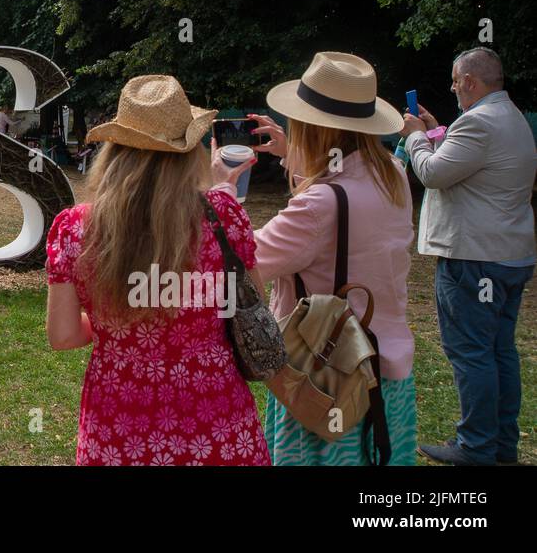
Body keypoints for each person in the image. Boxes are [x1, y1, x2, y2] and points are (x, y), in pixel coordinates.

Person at [46, 75, 271, 465]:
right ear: (189, 152)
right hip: (217, 425)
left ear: (114, 153)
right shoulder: (225, 218)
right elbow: (254, 305)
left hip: (118, 428)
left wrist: (109, 320)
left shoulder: (75, 230)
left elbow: (63, 335)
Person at [211, 51, 417, 465]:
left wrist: (222, 193)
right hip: (385, 369)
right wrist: (295, 156)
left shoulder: (320, 206)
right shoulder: (393, 174)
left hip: (326, 375)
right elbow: (340, 195)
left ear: (314, 128)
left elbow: (241, 259)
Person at [401, 47, 537, 466]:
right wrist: (438, 130)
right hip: (508, 254)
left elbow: (432, 173)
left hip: (475, 260)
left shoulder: (478, 123)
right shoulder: (508, 118)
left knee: (472, 352)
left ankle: (476, 446)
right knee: (499, 351)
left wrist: (414, 136)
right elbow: (467, 164)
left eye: (456, 81)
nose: (453, 87)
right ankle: (500, 445)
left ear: (472, 82)